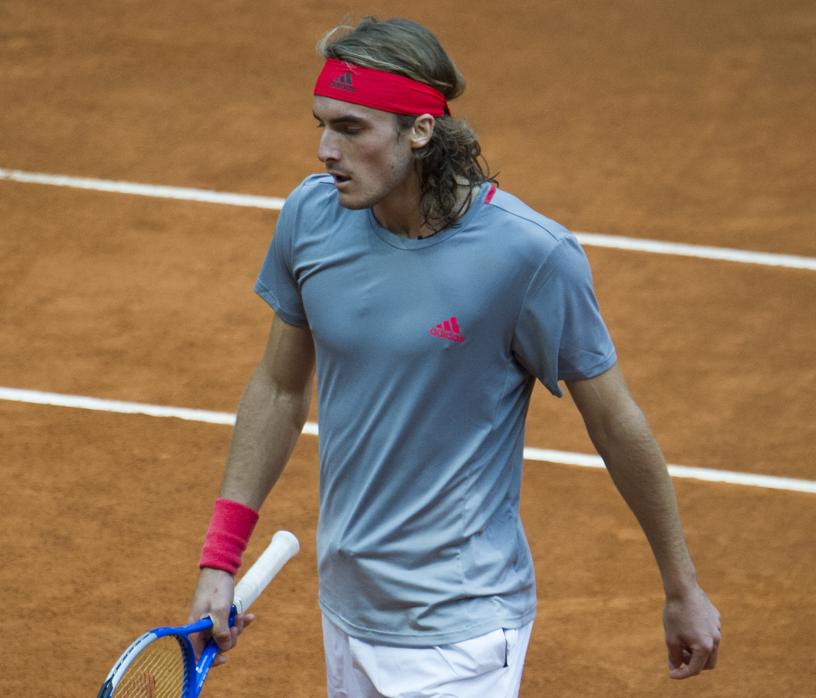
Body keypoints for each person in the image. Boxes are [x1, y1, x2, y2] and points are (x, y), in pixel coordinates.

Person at [187, 17, 721, 697]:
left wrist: (681, 587)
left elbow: (616, 424)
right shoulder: (311, 218)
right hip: (347, 607)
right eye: (322, 123)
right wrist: (219, 560)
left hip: (461, 630)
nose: (327, 149)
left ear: (420, 130)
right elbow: (279, 390)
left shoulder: (529, 257)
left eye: (353, 129)